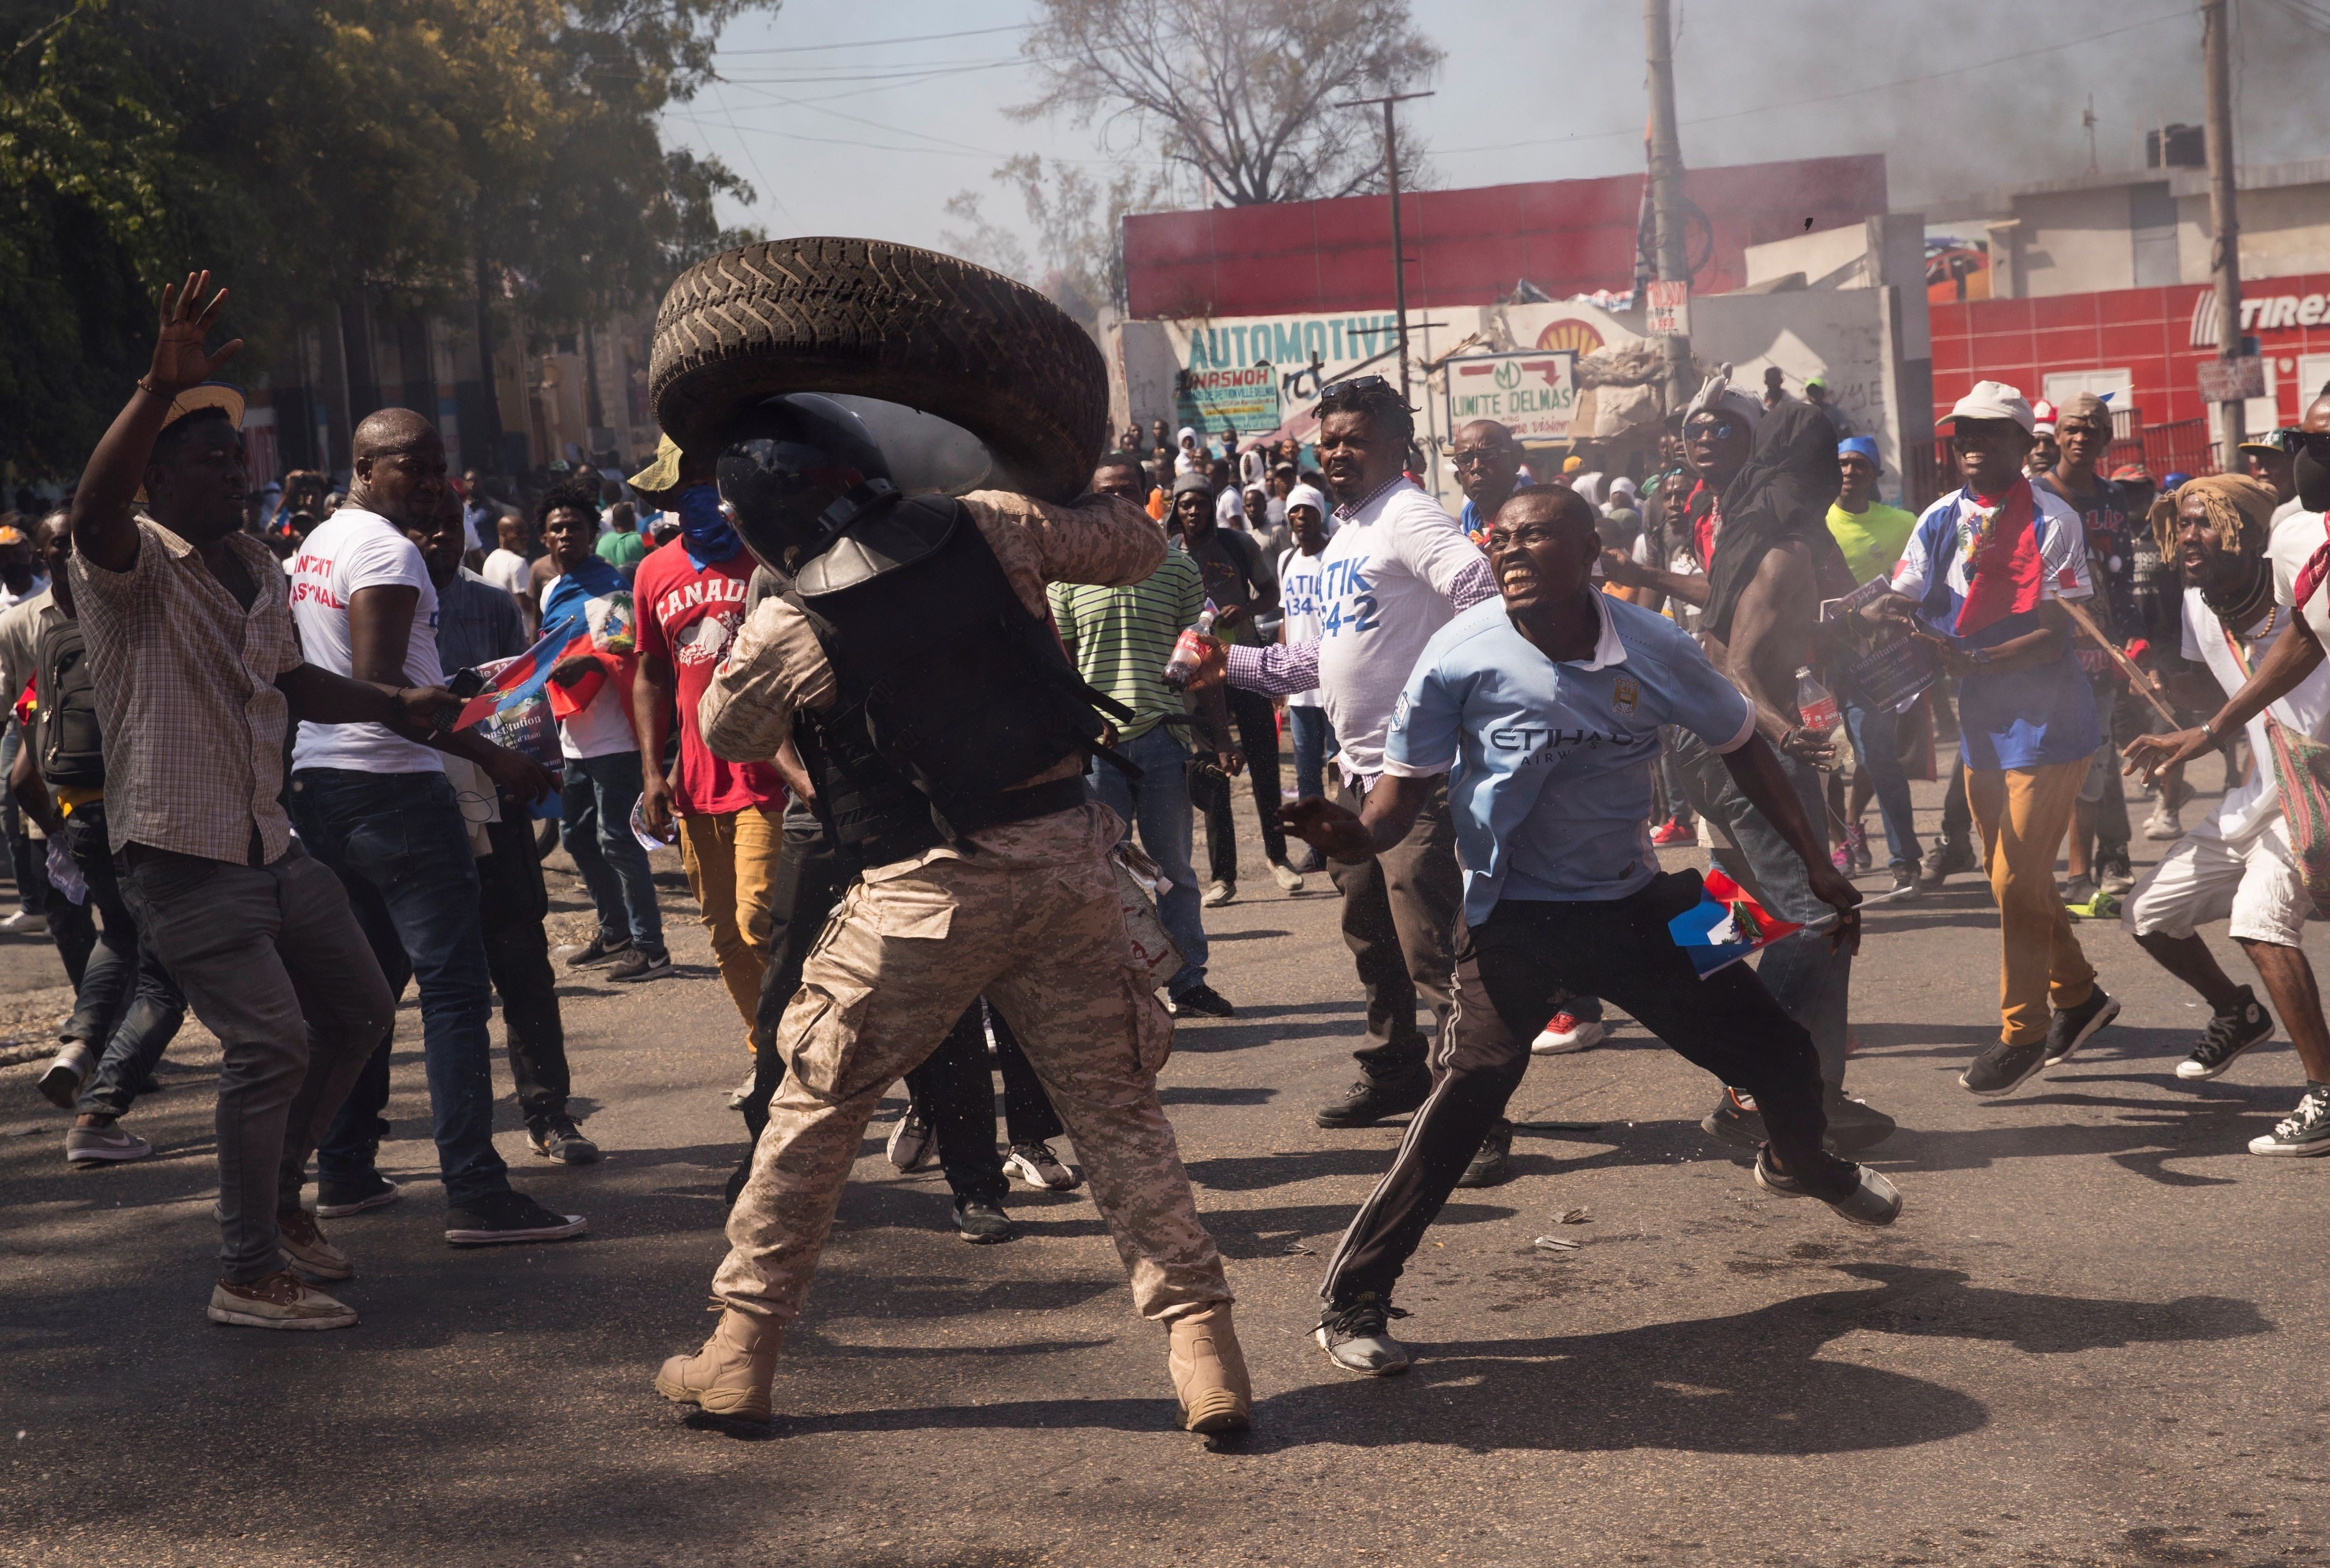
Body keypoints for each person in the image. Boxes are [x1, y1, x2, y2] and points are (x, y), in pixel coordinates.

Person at [653, 393, 1249, 1438]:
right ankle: (1206, 1352)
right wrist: (1048, 459)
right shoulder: (991, 522)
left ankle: (740, 1351)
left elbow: (732, 724)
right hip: (1069, 864)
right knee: (1117, 1112)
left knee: (815, 1110)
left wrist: (776, 604)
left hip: (924, 889)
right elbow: (1138, 544)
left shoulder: (794, 618)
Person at [1292, 485, 1899, 1375]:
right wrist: (1354, 834)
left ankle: (1805, 1160)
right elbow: (1396, 800)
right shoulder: (1457, 655)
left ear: (1592, 548)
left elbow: (1742, 743)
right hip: (1515, 917)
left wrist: (1814, 859)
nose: (1509, 551)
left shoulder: (1655, 646)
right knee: (1470, 1090)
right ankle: (1354, 1299)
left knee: (1782, 1047)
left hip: (1642, 899)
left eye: (1534, 535)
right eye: (1496, 540)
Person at [68, 272, 449, 1327]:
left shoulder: (257, 564)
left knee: (363, 1005)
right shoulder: (129, 561)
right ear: (158, 476)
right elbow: (95, 505)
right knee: (269, 1043)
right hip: (181, 855)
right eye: (208, 458)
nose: (233, 471)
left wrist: (397, 703)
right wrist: (155, 385)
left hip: (270, 842)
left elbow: (291, 680)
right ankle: (243, 1270)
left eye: (236, 456)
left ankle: (280, 1206)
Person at [1191, 376, 1510, 1176]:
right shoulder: (1346, 534)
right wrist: (1230, 666)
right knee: (1368, 931)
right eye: (1327, 441)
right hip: (1354, 772)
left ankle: (1475, 1118)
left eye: (1353, 440)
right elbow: (1315, 658)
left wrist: (1440, 703)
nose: (1335, 453)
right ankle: (1395, 1072)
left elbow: (1483, 592)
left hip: (1420, 777)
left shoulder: (1406, 513)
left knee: (1431, 947)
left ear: (1398, 446)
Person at [286, 405, 586, 1241]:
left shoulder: (316, 547)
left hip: (325, 786)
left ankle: (343, 1167)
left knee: (367, 990)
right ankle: (477, 1191)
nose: (430, 483)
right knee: (454, 990)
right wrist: (498, 760)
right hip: (394, 791)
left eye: (437, 466)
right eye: (408, 467)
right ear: (363, 467)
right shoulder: (385, 550)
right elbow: (389, 696)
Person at [1602, 382, 1891, 1149]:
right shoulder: (1780, 545)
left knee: (1756, 906)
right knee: (1818, 915)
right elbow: (1732, 662)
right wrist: (1782, 730)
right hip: (1740, 744)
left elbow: (1740, 618)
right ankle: (1749, 1080)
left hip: (1715, 743)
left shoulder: (1753, 527)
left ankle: (1814, 1085)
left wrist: (1861, 619)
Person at [1872, 381, 2118, 1098]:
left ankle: (2023, 1031)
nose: (1972, 448)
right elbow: (1908, 593)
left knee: (2014, 879)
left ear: (2022, 445)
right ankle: (2078, 993)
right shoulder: (1940, 516)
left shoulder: (2053, 518)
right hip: (1981, 721)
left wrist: (1971, 656)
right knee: (2013, 875)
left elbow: (2057, 631)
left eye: (1989, 436)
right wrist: (1874, 611)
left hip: (2050, 721)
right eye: (1963, 437)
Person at [2127, 386, 2330, 1147]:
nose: (2186, 539)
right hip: (2261, 791)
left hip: (2317, 785)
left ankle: (2323, 1093)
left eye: (2201, 524)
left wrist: (2210, 730)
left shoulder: (2299, 575)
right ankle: (2236, 1013)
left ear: (2246, 533)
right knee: (2148, 914)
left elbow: (2292, 668)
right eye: (2179, 527)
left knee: (2261, 919)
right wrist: (2178, 724)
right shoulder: (2197, 607)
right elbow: (2231, 700)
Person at [409, 489, 595, 1163]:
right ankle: (357, 1145)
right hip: (410, 820)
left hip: (495, 811)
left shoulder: (489, 605)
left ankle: (551, 1114)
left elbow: (520, 706)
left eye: (447, 525)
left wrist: (529, 761)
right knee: (410, 984)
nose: (437, 538)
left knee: (523, 966)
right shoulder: (372, 607)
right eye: (421, 526)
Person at [10, 510, 187, 1164]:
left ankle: (80, 1044)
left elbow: (24, 773)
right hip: (152, 816)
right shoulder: (146, 625)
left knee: (118, 933)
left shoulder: (54, 643)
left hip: (83, 814)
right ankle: (99, 1114)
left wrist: (66, 832)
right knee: (167, 973)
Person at [1054, 456, 1237, 1018]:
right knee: (1102, 874)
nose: (1117, 501)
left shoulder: (1178, 569)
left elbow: (1199, 657)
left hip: (1164, 740)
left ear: (1145, 496)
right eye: (1106, 492)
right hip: (1097, 750)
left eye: (1128, 491)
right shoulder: (1067, 574)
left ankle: (1188, 983)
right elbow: (1059, 666)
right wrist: (1081, 727)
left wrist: (1221, 735)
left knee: (1174, 870)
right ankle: (1119, 990)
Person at [630, 444, 788, 1056]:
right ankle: (767, 1053)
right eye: (684, 485)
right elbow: (651, 674)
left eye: (707, 479)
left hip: (769, 776)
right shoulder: (653, 571)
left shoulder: (768, 557)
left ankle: (801, 1046)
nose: (697, 493)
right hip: (695, 782)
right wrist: (653, 772)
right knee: (724, 935)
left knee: (760, 924)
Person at [535, 476, 672, 982]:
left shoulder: (611, 586)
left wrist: (586, 668)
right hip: (572, 738)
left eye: (574, 527)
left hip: (614, 737)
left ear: (593, 533)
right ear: (545, 539)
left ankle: (652, 948)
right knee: (574, 839)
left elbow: (622, 658)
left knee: (617, 840)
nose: (565, 535)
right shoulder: (551, 588)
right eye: (556, 529)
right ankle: (615, 932)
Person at [1169, 469, 1298, 902]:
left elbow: (1270, 594)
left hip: (1244, 665)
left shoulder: (1238, 545)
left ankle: (1278, 857)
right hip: (1198, 676)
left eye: (1200, 503)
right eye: (1185, 504)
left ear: (1211, 504)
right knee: (1212, 770)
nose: (1193, 511)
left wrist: (1244, 609)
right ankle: (1223, 876)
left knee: (1263, 762)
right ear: (1175, 508)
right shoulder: (1167, 552)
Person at [2035, 392, 2138, 906]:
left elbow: (2124, 577)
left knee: (2093, 766)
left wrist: (2129, 641)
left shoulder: (2114, 498)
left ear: (2105, 438)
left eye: (2093, 429)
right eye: (2072, 428)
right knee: (2042, 765)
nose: (2081, 437)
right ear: (2056, 435)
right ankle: (2033, 874)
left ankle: (2080, 879)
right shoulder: (2033, 495)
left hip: (2100, 658)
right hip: (2043, 655)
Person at [1826, 435, 1923, 892]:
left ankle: (1905, 859)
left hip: (1878, 659)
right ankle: (1840, 843)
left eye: (1859, 465)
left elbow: (1921, 577)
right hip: (1822, 657)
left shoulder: (1903, 522)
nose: (1849, 472)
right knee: (1825, 761)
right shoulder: (1814, 522)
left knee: (1879, 757)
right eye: (1842, 464)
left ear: (1875, 474)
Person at [1276, 484, 1337, 863]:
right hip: (1300, 689)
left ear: (1320, 514)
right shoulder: (1286, 560)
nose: (1302, 518)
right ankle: (1318, 848)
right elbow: (1287, 617)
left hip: (1334, 680)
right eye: (1295, 512)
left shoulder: (1335, 554)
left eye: (1309, 511)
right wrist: (1280, 672)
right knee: (1307, 774)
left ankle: (1351, 842)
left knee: (1342, 766)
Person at [482, 511, 537, 632]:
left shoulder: (491, 559)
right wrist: (544, 615)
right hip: (523, 631)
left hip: (500, 630)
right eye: (519, 533)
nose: (525, 537)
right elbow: (524, 601)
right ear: (503, 535)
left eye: (527, 533)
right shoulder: (518, 562)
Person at [596, 499, 649, 580]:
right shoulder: (644, 538)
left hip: (610, 589)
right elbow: (656, 557)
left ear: (613, 523)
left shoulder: (602, 541)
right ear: (634, 520)